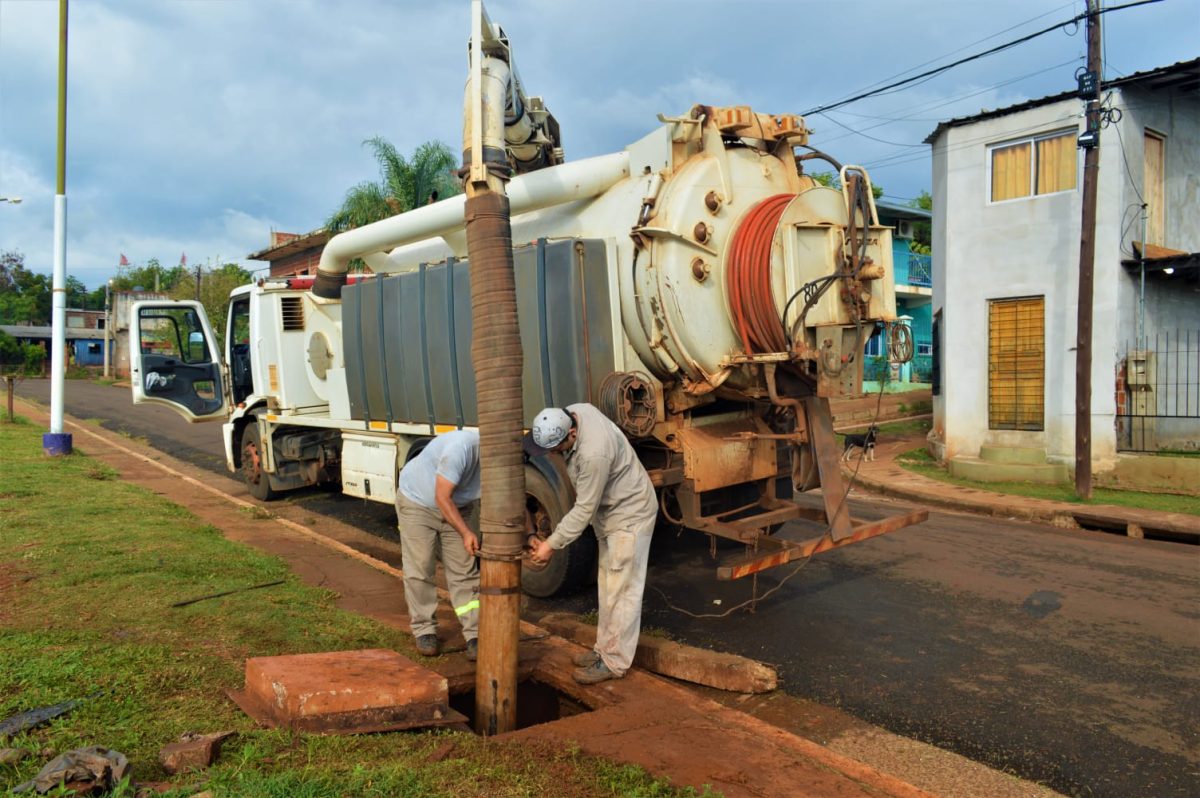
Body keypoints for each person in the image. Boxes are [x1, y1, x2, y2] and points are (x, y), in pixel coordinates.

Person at [527, 404, 657, 684]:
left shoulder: (593, 454)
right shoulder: (576, 411)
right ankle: (604, 650)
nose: (552, 455)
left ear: (571, 434)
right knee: (609, 587)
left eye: (556, 448)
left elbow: (584, 510)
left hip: (629, 516)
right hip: (611, 515)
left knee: (622, 592)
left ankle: (613, 662)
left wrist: (551, 544)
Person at [395, 429, 482, 660]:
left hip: (458, 506)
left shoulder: (502, 465)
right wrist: (465, 532)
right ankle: (425, 629)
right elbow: (441, 498)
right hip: (418, 503)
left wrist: (530, 534)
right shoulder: (460, 450)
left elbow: (515, 501)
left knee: (464, 569)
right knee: (421, 567)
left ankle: (475, 633)